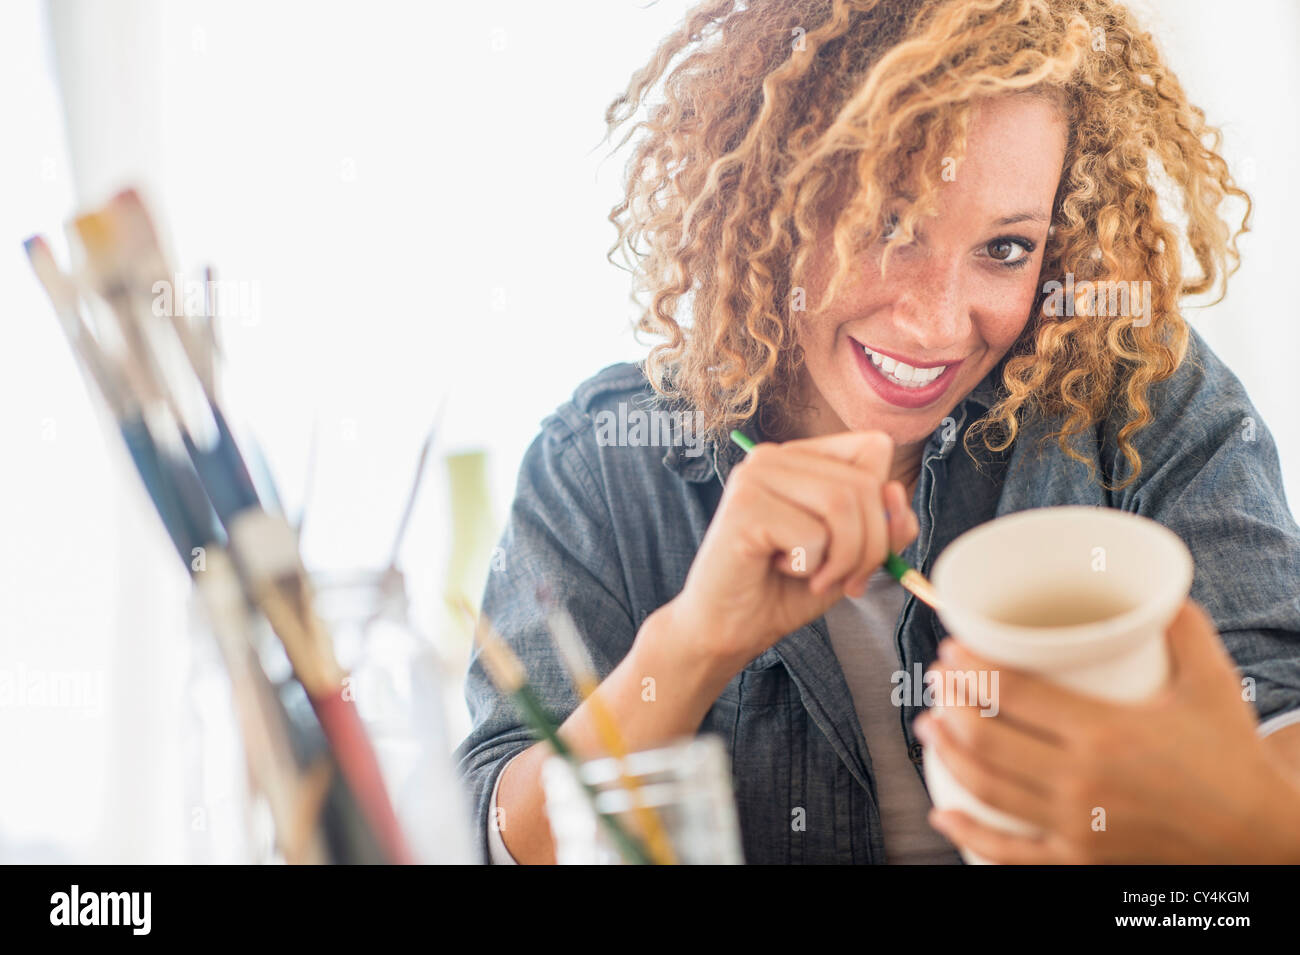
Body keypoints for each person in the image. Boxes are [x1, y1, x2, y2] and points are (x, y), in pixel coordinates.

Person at [454, 0, 1300, 864]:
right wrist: (695, 640)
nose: (936, 324)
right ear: (772, 194)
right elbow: (498, 837)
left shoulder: (1135, 389)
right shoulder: (599, 464)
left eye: (1005, 249)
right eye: (888, 226)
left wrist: (1209, 811)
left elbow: (1284, 720)